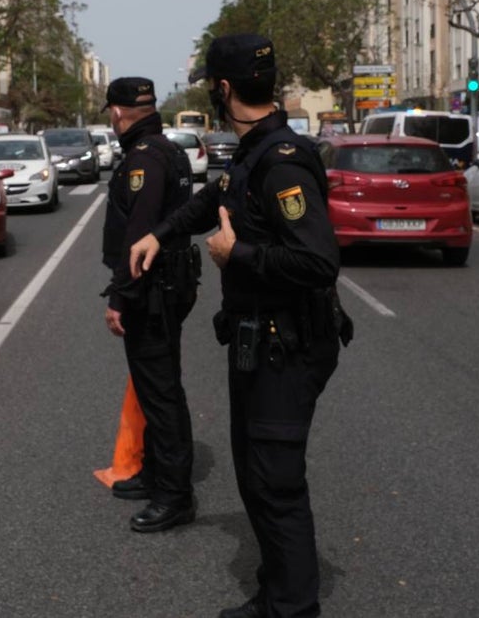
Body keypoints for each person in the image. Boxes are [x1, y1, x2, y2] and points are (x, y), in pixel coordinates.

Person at [131, 33, 351, 618]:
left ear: (222, 89)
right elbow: (213, 199)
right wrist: (160, 233)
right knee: (254, 475)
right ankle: (276, 592)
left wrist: (239, 257)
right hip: (261, 341)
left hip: (290, 344)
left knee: (276, 483)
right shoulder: (252, 153)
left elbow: (319, 262)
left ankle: (293, 609)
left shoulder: (281, 164)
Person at [100, 76, 200, 533]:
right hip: (170, 284)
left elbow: (138, 236)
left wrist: (120, 297)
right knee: (158, 385)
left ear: (118, 113)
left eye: (111, 113)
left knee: (161, 393)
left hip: (153, 290)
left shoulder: (143, 160)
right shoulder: (169, 148)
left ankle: (174, 496)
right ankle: (155, 473)